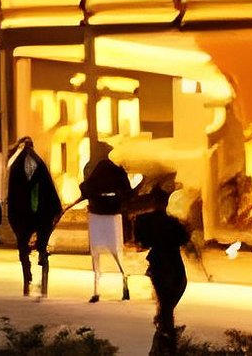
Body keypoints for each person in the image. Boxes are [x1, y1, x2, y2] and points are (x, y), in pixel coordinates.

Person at [134, 187, 192, 355]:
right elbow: (184, 237)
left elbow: (141, 241)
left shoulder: (145, 221)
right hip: (172, 262)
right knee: (169, 301)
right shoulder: (172, 223)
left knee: (165, 302)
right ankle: (166, 333)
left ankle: (165, 331)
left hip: (159, 262)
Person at [7, 135, 63, 298]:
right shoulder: (40, 165)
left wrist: (13, 214)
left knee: (23, 246)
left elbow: (12, 194)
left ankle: (27, 277)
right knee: (43, 246)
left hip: (22, 213)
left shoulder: (16, 166)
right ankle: (43, 262)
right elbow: (50, 190)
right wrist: (56, 210)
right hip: (43, 213)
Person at [81, 141, 134, 303]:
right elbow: (128, 192)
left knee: (96, 254)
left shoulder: (93, 170)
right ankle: (123, 282)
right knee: (116, 252)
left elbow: (85, 188)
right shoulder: (117, 171)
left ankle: (97, 290)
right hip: (111, 215)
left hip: (98, 215)